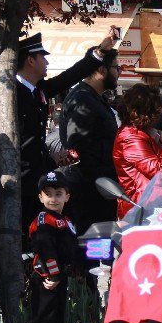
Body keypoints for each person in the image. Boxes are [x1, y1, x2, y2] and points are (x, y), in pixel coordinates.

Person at [2, 30, 117, 229]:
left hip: (36, 179)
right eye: (42, 58)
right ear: (30, 60)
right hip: (17, 181)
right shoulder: (9, 95)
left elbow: (70, 76)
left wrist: (99, 52)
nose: (47, 63)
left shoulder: (37, 91)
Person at [59, 46, 121, 235]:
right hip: (91, 192)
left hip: (100, 188)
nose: (119, 73)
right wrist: (101, 178)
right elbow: (77, 149)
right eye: (116, 68)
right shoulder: (83, 100)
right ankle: (93, 265)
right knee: (93, 245)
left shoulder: (94, 98)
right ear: (102, 70)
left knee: (101, 242)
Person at [27, 171, 78, 323]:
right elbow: (45, 249)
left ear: (67, 196)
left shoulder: (65, 220)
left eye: (58, 193)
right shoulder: (43, 220)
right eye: (48, 194)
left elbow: (70, 249)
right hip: (46, 278)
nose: (53, 198)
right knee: (42, 318)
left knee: (57, 317)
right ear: (40, 197)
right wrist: (53, 275)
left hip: (60, 277)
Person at [113, 84, 162, 218]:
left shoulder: (141, 133)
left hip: (151, 204)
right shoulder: (130, 137)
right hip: (140, 208)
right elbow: (157, 171)